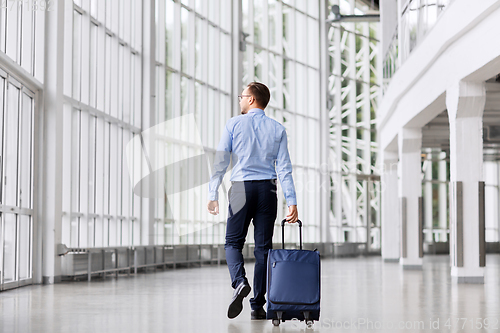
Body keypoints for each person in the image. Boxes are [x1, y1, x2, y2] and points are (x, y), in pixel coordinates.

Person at [207, 82, 298, 320]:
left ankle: (239, 282)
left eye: (242, 96)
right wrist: (292, 202)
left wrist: (212, 193)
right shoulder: (278, 129)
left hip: (241, 190)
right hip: (268, 190)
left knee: (232, 243)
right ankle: (258, 306)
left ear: (251, 100)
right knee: (263, 250)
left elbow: (220, 161)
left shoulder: (234, 124)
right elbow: (285, 169)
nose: (240, 100)